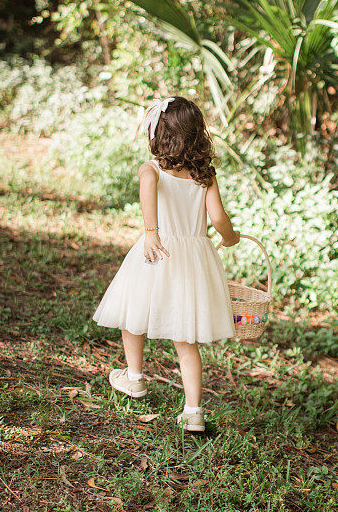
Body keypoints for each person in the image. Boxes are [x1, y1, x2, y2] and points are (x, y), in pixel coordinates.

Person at [92, 96, 240, 432]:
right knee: (186, 337)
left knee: (133, 313)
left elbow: (148, 185)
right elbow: (217, 218)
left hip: (156, 250)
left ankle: (134, 377)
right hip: (193, 259)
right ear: (196, 135)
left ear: (158, 135)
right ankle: (193, 411)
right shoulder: (205, 175)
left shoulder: (151, 168)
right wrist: (230, 238)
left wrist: (151, 232)